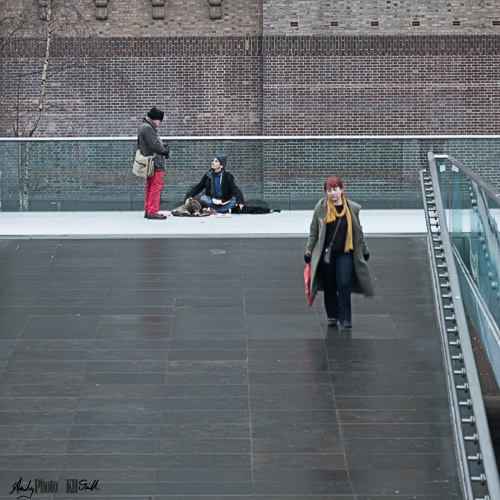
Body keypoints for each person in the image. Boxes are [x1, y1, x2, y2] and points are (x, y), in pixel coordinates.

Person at [304, 176, 374, 328]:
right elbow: (314, 232)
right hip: (327, 254)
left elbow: (358, 232)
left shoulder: (351, 209)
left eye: (335, 189)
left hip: (345, 253)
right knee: (329, 285)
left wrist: (365, 251)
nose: (332, 193)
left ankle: (345, 318)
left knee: (343, 282)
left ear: (341, 189)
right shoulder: (321, 208)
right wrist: (309, 250)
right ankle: (332, 316)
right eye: (329, 190)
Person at [138, 107, 170, 220]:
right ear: (155, 119)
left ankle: (148, 210)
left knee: (149, 186)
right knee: (155, 187)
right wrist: (164, 150)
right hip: (155, 162)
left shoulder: (143, 126)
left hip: (149, 162)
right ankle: (152, 211)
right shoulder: (148, 127)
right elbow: (154, 145)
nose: (159, 124)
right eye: (159, 121)